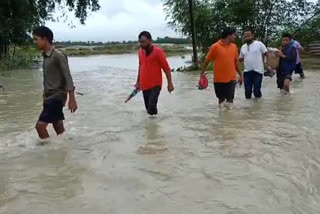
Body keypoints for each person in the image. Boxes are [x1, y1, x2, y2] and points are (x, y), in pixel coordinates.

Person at [33, 26, 78, 140]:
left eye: (36, 39)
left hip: (56, 96)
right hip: (50, 97)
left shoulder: (58, 55)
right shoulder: (46, 56)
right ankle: (64, 147)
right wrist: (44, 96)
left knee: (40, 127)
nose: (35, 42)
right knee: (57, 125)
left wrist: (72, 99)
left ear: (45, 39)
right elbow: (48, 79)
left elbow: (67, 76)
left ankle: (47, 151)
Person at [200, 27, 242, 109]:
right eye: (234, 35)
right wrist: (202, 74)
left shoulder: (234, 46)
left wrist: (241, 75)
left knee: (230, 101)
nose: (235, 36)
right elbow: (207, 61)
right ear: (228, 35)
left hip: (231, 78)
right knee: (221, 100)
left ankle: (229, 120)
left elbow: (236, 63)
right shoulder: (215, 47)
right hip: (219, 79)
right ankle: (221, 119)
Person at [135, 31, 174, 115]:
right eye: (140, 42)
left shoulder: (158, 52)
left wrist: (170, 83)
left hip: (155, 85)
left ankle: (156, 126)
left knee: (151, 107)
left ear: (150, 40)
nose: (141, 44)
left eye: (143, 42)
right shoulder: (140, 52)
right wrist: (138, 82)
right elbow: (140, 67)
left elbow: (166, 69)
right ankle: (153, 125)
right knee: (148, 110)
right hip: (144, 84)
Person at [239, 29, 268, 99]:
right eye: (245, 36)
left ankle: (258, 107)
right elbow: (240, 59)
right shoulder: (243, 47)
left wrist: (268, 65)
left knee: (256, 92)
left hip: (258, 71)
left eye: (248, 36)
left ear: (252, 35)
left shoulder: (259, 44)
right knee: (247, 93)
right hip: (247, 72)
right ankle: (249, 108)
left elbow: (267, 54)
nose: (247, 38)